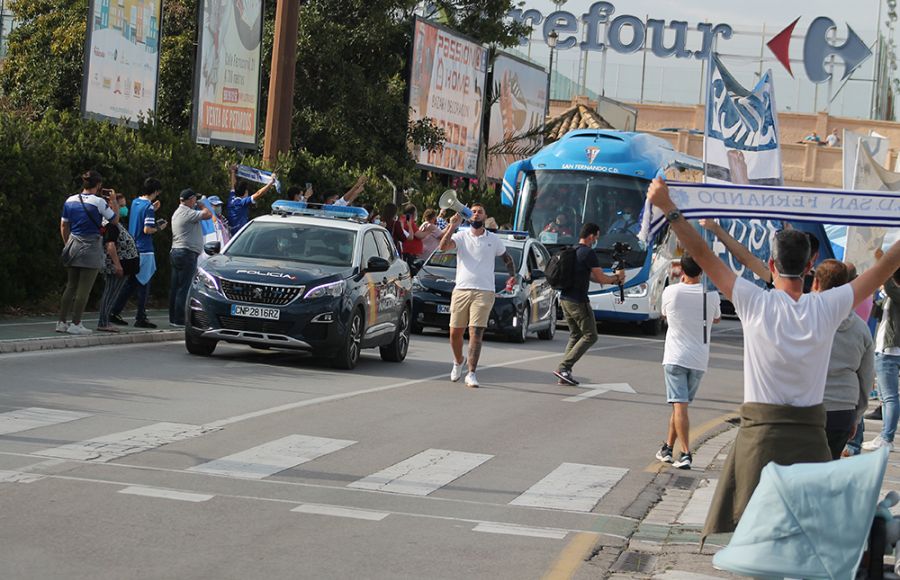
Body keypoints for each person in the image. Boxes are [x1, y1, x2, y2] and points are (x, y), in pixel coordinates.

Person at [644, 177, 900, 542]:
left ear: (770, 263)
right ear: (811, 263)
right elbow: (885, 266)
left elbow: (703, 256)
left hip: (759, 440)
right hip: (810, 440)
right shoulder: (829, 306)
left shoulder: (754, 301)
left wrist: (669, 208)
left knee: (754, 539)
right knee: (803, 539)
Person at [438, 203, 517, 388]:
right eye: (473, 212)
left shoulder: (494, 239)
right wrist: (452, 226)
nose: (476, 214)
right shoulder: (461, 235)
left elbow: (507, 259)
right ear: (468, 216)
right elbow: (443, 247)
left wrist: (512, 276)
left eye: (480, 212)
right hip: (462, 290)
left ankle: (472, 373)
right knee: (454, 333)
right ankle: (459, 361)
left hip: (484, 291)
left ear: (485, 216)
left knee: (476, 332)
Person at [655, 253, 721, 470]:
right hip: (699, 360)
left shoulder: (671, 291)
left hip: (675, 357)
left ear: (681, 270)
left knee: (679, 407)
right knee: (679, 405)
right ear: (702, 271)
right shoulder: (710, 295)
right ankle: (667, 448)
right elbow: (716, 318)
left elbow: (664, 314)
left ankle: (685, 453)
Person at [808, 260, 874, 459]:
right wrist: (857, 415)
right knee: (828, 468)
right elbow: (867, 378)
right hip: (842, 411)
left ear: (816, 283)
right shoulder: (860, 329)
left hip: (805, 410)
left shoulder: (803, 317)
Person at [553, 223, 624, 386]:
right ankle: (564, 367)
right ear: (591, 236)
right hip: (578, 301)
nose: (596, 240)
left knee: (576, 335)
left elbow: (588, 276)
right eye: (596, 237)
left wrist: (612, 278)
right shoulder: (588, 253)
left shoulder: (573, 250)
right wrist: (617, 278)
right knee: (591, 335)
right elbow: (600, 278)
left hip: (564, 298)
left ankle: (564, 372)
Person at [58, 170, 120, 335]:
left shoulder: (70, 200)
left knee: (70, 286)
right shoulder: (98, 202)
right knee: (83, 289)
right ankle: (76, 323)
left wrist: (67, 244)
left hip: (73, 244)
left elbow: (64, 225)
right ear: (98, 185)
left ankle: (61, 322)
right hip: (91, 246)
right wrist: (114, 202)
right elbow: (114, 220)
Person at [110, 177, 166, 329]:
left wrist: (152, 208)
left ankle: (114, 311)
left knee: (131, 283)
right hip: (145, 249)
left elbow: (139, 216)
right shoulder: (148, 207)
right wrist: (159, 227)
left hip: (133, 248)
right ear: (155, 191)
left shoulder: (136, 202)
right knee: (144, 283)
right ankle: (141, 316)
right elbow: (147, 229)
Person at [862, 266, 900, 451]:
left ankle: (887, 437)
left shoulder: (896, 294)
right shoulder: (890, 298)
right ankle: (885, 436)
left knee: (890, 397)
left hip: (891, 353)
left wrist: (882, 270)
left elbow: (892, 289)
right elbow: (874, 314)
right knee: (886, 398)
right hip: (883, 350)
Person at [169, 189, 212, 327]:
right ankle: (179, 319)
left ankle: (173, 318)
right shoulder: (187, 212)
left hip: (178, 251)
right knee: (184, 288)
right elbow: (208, 214)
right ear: (190, 199)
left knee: (176, 287)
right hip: (186, 253)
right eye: (194, 199)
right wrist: (202, 204)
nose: (195, 202)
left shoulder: (178, 212)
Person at [97, 214, 140, 332]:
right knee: (111, 292)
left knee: (113, 293)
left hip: (124, 263)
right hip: (118, 264)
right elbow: (110, 245)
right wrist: (117, 265)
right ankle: (103, 321)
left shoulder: (114, 224)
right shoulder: (110, 225)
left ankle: (105, 320)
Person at [227, 165, 277, 235]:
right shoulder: (242, 202)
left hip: (231, 233)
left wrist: (233, 172)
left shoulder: (231, 198)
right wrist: (271, 183)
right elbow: (259, 193)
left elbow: (233, 185)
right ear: (245, 192)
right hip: (239, 234)